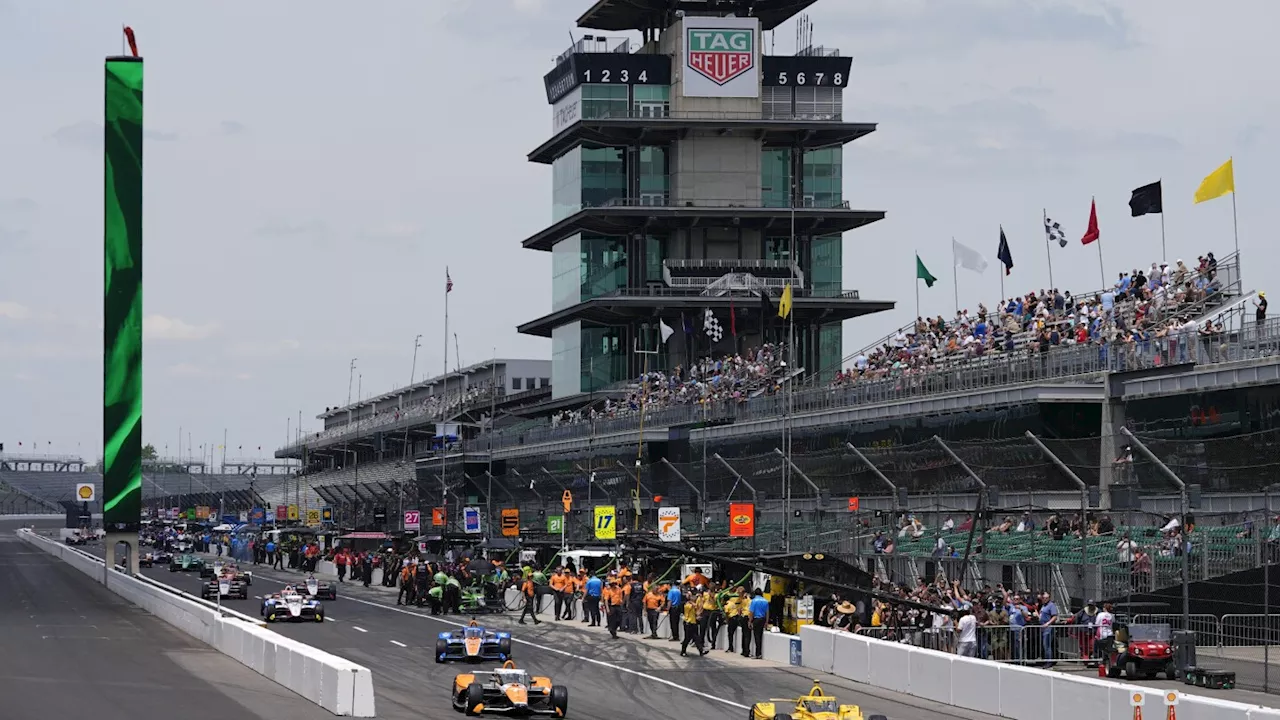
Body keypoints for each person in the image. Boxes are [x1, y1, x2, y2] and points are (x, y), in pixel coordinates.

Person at [680, 588, 706, 656]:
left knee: (696, 638)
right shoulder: (688, 605)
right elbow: (697, 609)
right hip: (688, 623)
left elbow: (696, 613)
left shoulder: (691, 604)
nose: (695, 597)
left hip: (693, 622)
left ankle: (701, 651)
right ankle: (683, 651)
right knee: (687, 638)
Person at [747, 588, 769, 659]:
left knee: (756, 636)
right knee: (760, 636)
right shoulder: (765, 601)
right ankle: (759, 653)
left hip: (756, 619)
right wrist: (766, 622)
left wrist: (750, 621)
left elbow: (751, 612)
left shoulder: (753, 601)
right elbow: (767, 613)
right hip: (763, 619)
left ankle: (758, 654)